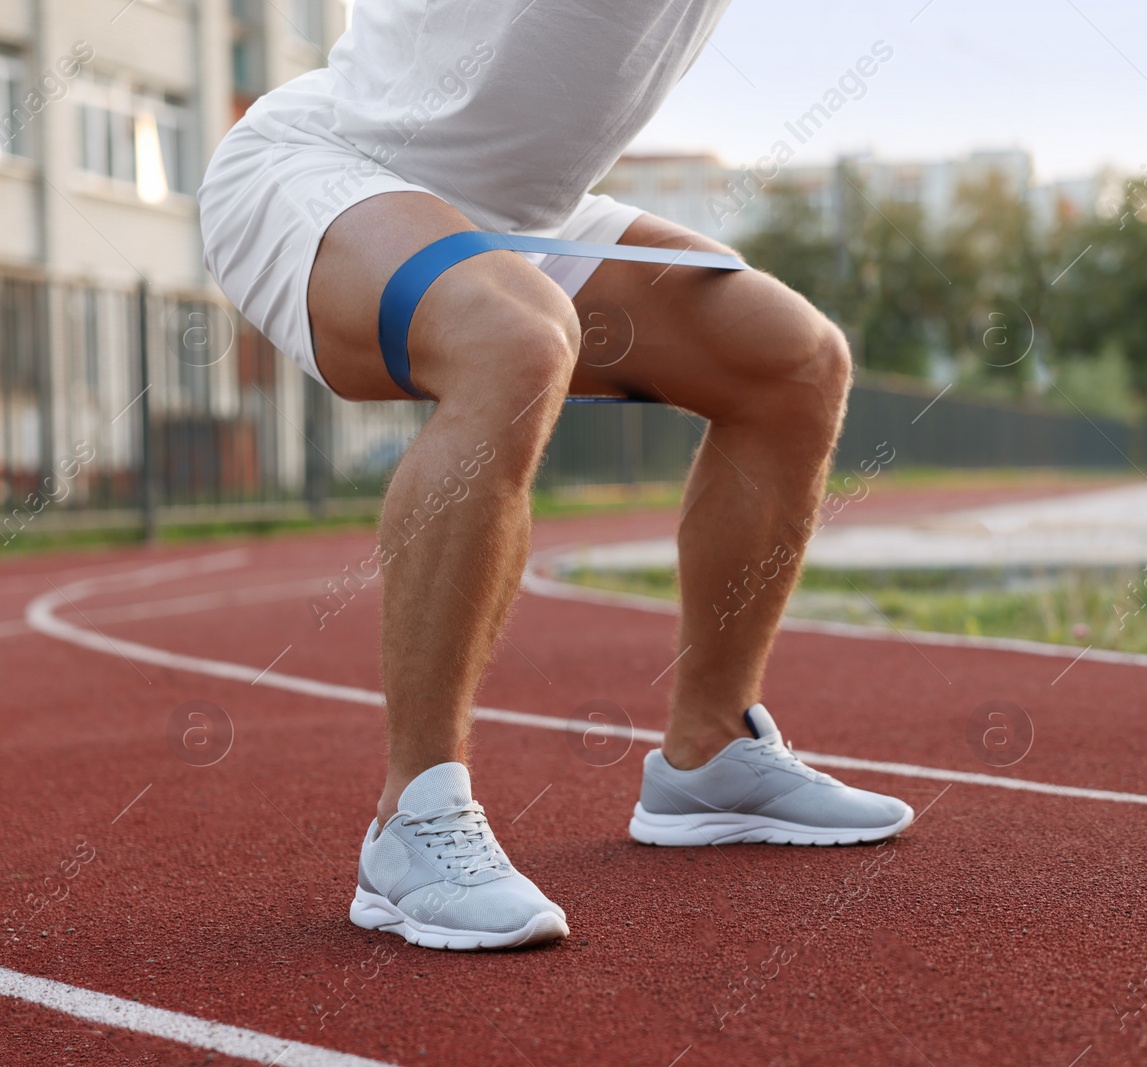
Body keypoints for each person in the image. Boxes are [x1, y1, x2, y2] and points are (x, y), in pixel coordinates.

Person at [197, 0, 912, 952]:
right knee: (515, 339)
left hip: (525, 220)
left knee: (794, 361)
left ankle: (712, 752)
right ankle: (412, 818)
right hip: (330, 174)